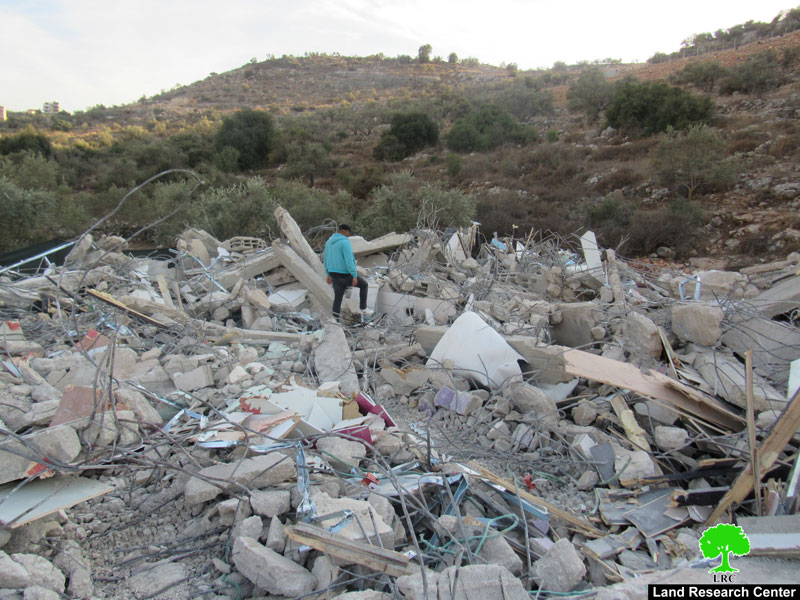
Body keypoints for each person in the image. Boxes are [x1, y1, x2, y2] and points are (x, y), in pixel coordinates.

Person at [324, 224, 370, 322]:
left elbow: (326, 259)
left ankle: (335, 320)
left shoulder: (328, 242)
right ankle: (363, 309)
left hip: (333, 275)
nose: (348, 235)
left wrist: (328, 273)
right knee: (364, 285)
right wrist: (354, 275)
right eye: (348, 233)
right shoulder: (345, 242)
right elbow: (349, 260)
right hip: (345, 275)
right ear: (345, 232)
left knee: (338, 298)